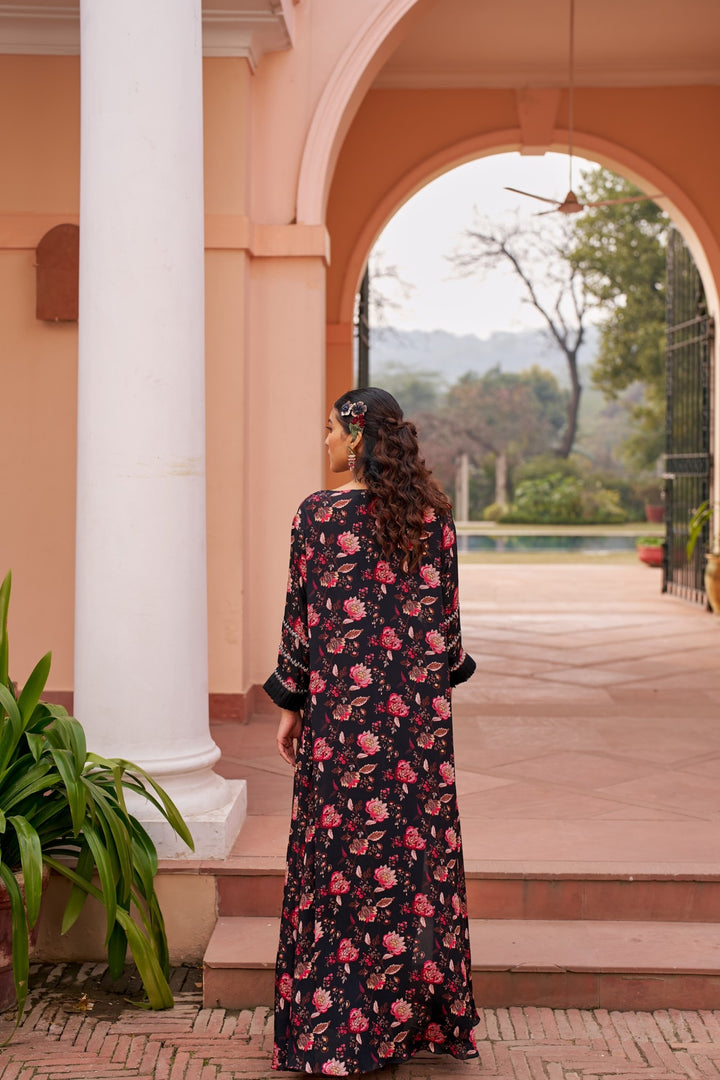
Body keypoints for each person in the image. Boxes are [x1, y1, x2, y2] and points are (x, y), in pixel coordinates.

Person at [264, 387, 479, 1076]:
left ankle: (331, 1027)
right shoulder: (433, 520)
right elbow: (447, 638)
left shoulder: (317, 517)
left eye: (331, 428)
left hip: (338, 728)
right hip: (415, 731)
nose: (325, 439)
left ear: (356, 437)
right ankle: (399, 1025)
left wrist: (292, 702)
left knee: (337, 866)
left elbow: (300, 621)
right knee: (406, 867)